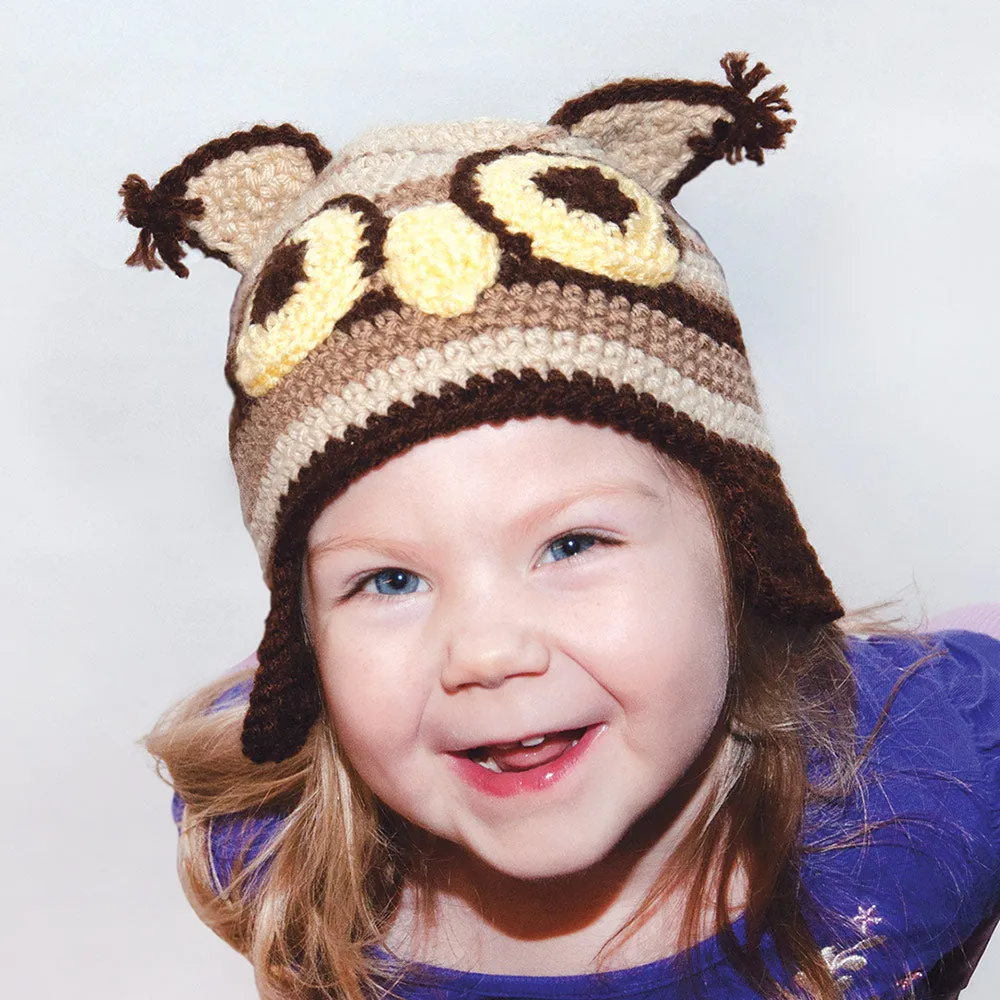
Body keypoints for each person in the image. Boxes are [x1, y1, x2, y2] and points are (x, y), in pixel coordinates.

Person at [122, 53, 1000, 1000]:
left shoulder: (928, 775)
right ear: (301, 640)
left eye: (572, 545)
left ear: (744, 544)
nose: (487, 652)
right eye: (389, 580)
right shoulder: (272, 834)